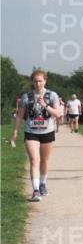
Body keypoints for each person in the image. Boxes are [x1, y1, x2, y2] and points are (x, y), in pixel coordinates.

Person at [9, 69, 62, 201]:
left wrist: (45, 105)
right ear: (32, 82)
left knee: (44, 160)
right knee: (34, 160)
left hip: (47, 132)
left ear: (45, 81)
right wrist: (15, 132)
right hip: (31, 132)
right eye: (35, 81)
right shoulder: (26, 97)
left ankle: (43, 183)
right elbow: (20, 115)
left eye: (40, 81)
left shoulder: (52, 95)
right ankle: (36, 190)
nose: (38, 84)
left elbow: (58, 114)